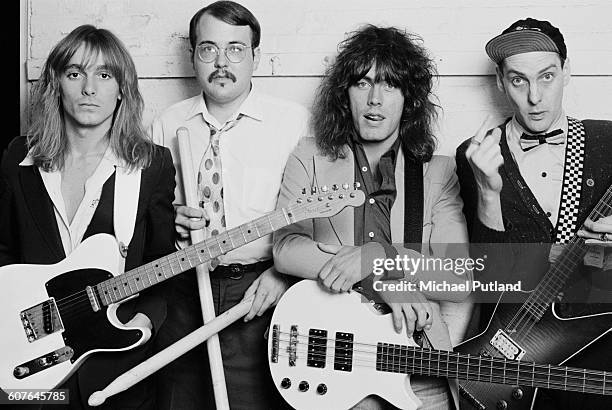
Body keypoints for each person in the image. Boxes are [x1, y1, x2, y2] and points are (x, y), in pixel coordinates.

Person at [273, 24, 474, 410]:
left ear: (409, 97)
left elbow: (458, 277)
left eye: (390, 85)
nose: (375, 100)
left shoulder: (438, 171)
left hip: (418, 363)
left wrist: (377, 257)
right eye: (363, 83)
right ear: (345, 93)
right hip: (337, 362)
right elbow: (284, 247)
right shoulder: (309, 156)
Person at [0, 25, 176, 409]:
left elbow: (162, 263)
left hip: (115, 362)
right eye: (75, 73)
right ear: (56, 84)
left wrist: (144, 320)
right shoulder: (17, 158)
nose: (89, 88)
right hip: (25, 362)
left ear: (121, 89)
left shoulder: (152, 165)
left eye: (104, 75)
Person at [149, 1, 309, 409]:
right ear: (192, 56)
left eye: (236, 49)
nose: (222, 62)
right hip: (183, 293)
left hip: (258, 293)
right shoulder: (168, 123)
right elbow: (147, 220)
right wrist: (170, 223)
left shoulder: (293, 124)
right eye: (208, 49)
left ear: (256, 55)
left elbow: (314, 220)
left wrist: (283, 277)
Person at [456, 17, 612, 409]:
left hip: (597, 349)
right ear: (499, 82)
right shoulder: (476, 154)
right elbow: (489, 279)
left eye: (547, 77)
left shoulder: (607, 141)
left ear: (567, 71)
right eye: (518, 80)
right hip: (521, 353)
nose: (535, 97)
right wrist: (489, 194)